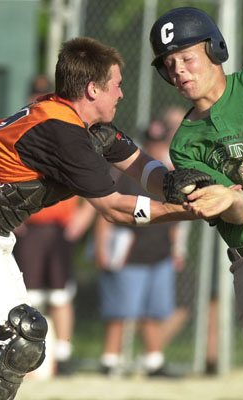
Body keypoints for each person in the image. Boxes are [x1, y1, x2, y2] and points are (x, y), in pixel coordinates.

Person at [0, 36, 243, 399]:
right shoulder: (63, 133)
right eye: (116, 85)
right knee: (18, 340)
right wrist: (195, 209)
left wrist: (175, 185)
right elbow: (115, 208)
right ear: (92, 89)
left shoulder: (75, 120)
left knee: (25, 340)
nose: (120, 94)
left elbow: (135, 162)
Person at [150, 6, 243, 399]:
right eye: (169, 64)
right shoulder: (185, 143)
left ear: (215, 50)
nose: (178, 70)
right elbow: (242, 213)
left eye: (187, 57)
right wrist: (225, 197)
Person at [94, 120, 187, 377]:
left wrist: (178, 250)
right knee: (120, 311)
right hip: (129, 256)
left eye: (161, 142)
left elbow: (176, 219)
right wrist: (102, 248)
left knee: (154, 312)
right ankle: (110, 361)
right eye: (153, 142)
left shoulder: (170, 176)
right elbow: (108, 212)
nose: (156, 147)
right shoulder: (128, 175)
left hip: (160, 254)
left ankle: (153, 361)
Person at [13, 197, 95, 376]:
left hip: (61, 227)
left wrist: (86, 214)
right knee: (26, 298)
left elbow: (93, 181)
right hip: (28, 226)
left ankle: (62, 356)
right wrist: (9, 217)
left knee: (60, 295)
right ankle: (22, 354)